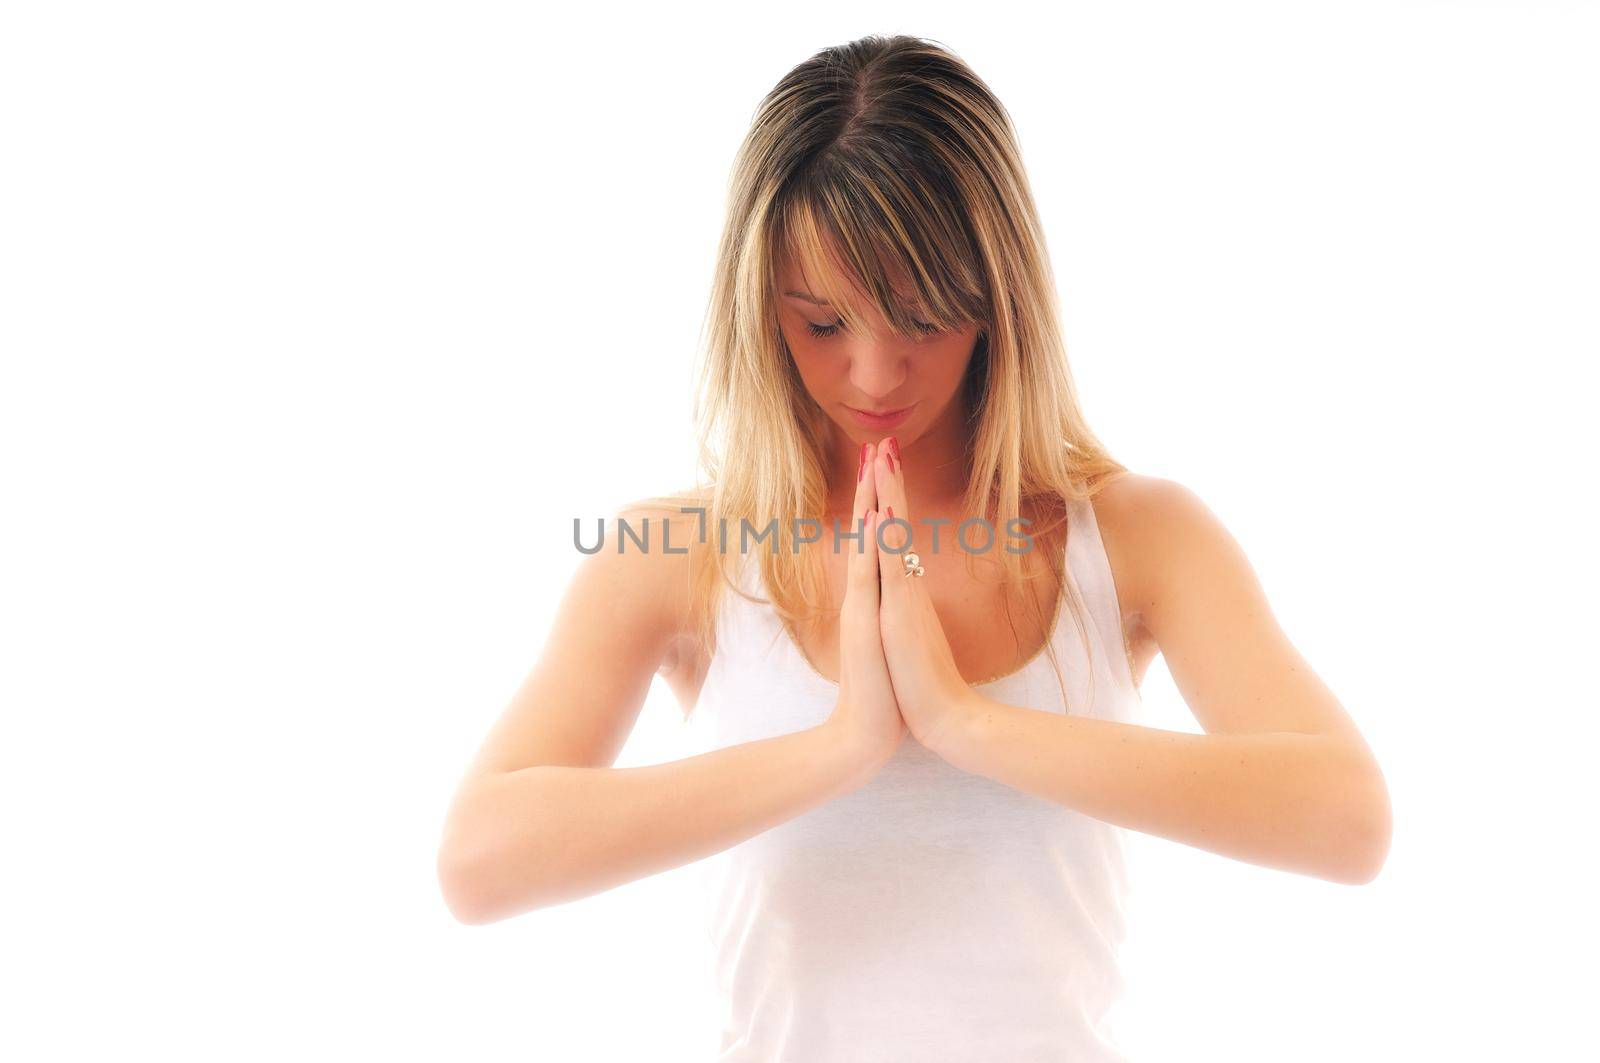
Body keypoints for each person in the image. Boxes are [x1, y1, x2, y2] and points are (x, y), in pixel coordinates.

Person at [436, 33, 1391, 1061]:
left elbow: (1345, 821)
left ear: (996, 298)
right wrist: (840, 745)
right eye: (821, 323)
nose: (873, 374)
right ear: (760, 309)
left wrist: (961, 720)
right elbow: (480, 862)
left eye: (921, 317)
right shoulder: (677, 555)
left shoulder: (1140, 539)